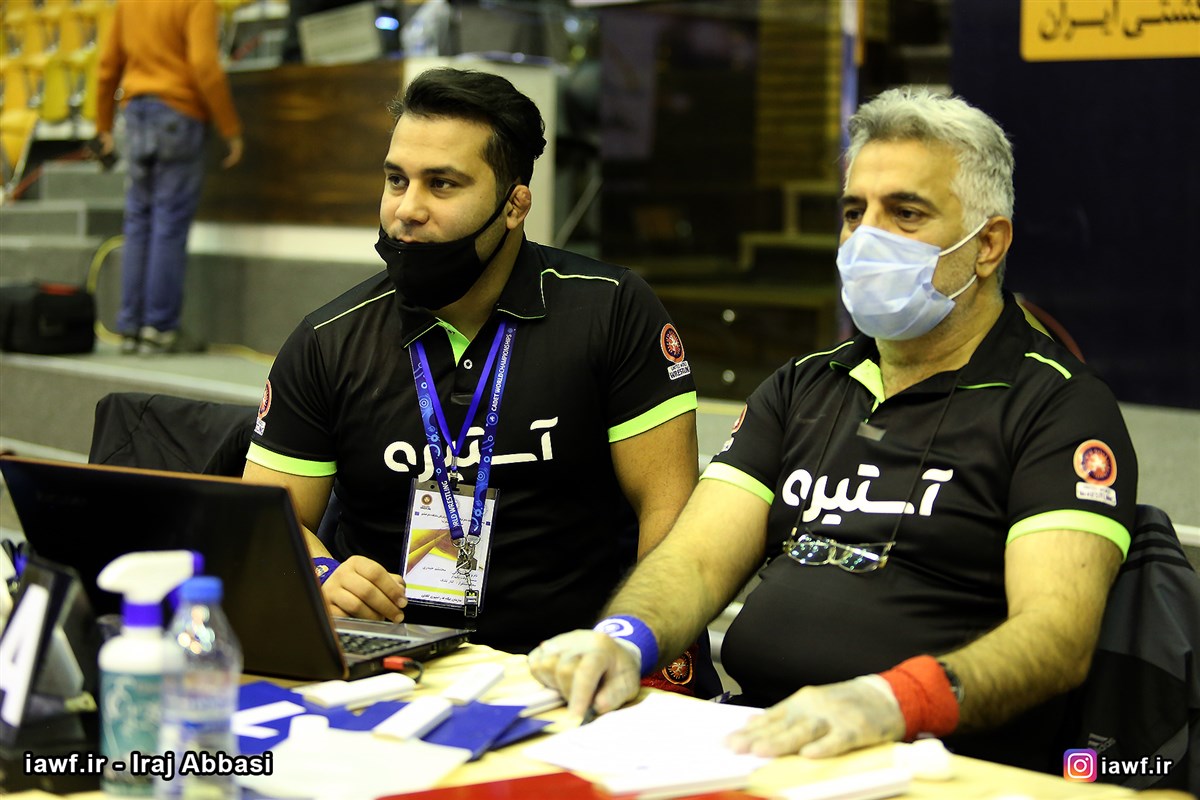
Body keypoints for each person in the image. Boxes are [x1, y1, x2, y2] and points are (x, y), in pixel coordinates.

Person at [529, 87, 1138, 773]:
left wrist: (890, 701)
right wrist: (621, 639)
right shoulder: (803, 387)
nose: (866, 238)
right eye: (854, 212)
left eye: (905, 213)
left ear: (988, 245)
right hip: (751, 741)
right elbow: (694, 559)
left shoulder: (1058, 407)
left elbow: (1056, 635)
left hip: (931, 762)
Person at [242, 69, 704, 670]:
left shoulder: (611, 310)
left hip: (568, 663)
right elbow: (264, 520)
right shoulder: (328, 340)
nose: (407, 210)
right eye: (396, 180)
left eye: (442, 184)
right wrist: (324, 574)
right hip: (392, 664)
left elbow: (669, 515)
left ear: (515, 205)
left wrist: (635, 646)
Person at [96, 0, 243, 355]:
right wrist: (230, 128)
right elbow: (204, 64)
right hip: (178, 113)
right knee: (168, 224)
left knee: (138, 222)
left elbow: (106, 66)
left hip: (135, 115)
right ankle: (159, 329)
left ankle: (130, 328)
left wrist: (103, 125)